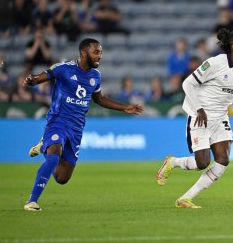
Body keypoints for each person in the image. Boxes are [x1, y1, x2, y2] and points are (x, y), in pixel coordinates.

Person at [23, 38, 144, 211]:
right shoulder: (63, 68)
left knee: (62, 178)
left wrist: (124, 108)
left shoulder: (95, 76)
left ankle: (43, 146)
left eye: (101, 52)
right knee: (54, 156)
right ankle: (32, 201)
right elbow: (41, 77)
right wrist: (32, 80)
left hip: (76, 129)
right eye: (96, 52)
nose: (100, 56)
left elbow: (99, 98)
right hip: (58, 121)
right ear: (83, 53)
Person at [156, 28, 233, 208]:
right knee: (202, 163)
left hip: (220, 117)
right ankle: (173, 162)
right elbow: (188, 83)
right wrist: (199, 109)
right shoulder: (215, 63)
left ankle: (185, 198)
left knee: (223, 160)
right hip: (200, 115)